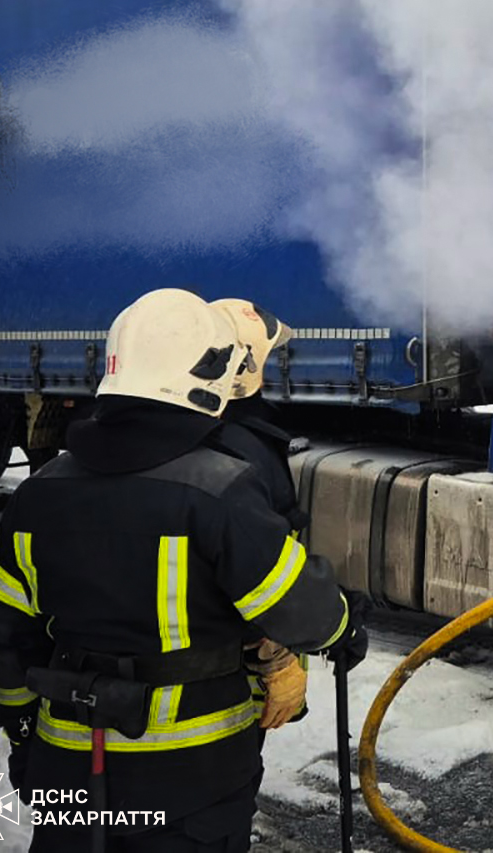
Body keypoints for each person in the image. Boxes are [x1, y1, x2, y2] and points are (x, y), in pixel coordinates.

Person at [0, 288, 367, 852]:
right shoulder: (221, 491)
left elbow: (8, 637)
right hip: (191, 782)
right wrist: (346, 624)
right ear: (207, 379)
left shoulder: (39, 494)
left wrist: (21, 735)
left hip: (69, 766)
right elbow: (304, 612)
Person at [208, 298, 310, 731]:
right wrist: (275, 657)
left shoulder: (211, 433)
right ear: (249, 362)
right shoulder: (242, 446)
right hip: (232, 683)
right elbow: (250, 563)